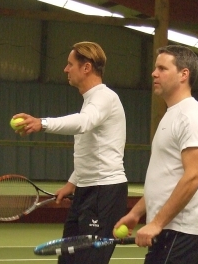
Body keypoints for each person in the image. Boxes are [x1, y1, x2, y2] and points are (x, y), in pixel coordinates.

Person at [13, 41, 128, 264]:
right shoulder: (90, 102)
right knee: (67, 260)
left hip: (104, 192)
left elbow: (83, 123)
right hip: (86, 192)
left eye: (70, 64)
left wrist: (42, 123)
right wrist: (72, 183)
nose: (66, 69)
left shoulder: (104, 98)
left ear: (86, 67)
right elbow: (90, 150)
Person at [114, 45, 198, 264]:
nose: (154, 73)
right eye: (155, 68)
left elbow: (193, 177)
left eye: (162, 68)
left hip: (179, 230)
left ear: (183, 74)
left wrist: (157, 223)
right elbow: (165, 179)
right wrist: (137, 213)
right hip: (168, 229)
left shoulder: (191, 117)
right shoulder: (171, 115)